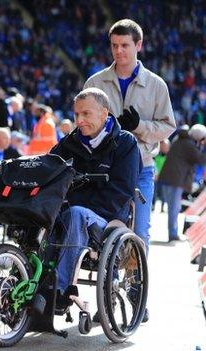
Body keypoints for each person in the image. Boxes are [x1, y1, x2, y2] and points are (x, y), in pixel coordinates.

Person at [83, 19, 176, 255]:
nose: (119, 51)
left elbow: (168, 127)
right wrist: (108, 127)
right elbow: (82, 122)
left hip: (141, 168)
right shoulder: (95, 83)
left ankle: (136, 288)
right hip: (103, 168)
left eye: (125, 45)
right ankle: (108, 283)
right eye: (114, 45)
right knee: (102, 231)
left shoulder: (156, 85)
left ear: (139, 45)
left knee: (140, 234)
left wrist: (139, 126)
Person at [49, 88, 141, 314]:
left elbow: (122, 190)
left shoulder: (125, 143)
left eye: (86, 114)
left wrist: (77, 206)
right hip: (71, 213)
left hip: (107, 220)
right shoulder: (69, 143)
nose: (79, 120)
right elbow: (49, 170)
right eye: (76, 115)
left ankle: (60, 292)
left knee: (77, 214)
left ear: (104, 114)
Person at [157, 124, 206, 241]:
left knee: (174, 207)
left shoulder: (181, 139)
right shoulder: (188, 144)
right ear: (199, 137)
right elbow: (201, 159)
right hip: (174, 180)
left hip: (171, 179)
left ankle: (174, 233)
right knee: (174, 209)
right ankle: (173, 235)